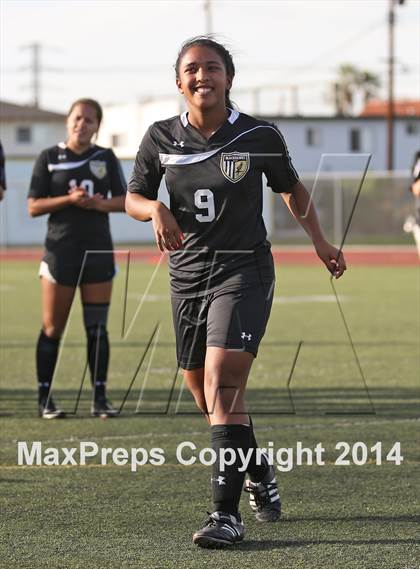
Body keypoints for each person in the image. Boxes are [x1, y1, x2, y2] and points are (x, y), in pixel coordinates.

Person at [126, 36, 347, 549]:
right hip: (186, 276)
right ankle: (259, 470)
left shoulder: (258, 134)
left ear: (228, 77)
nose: (202, 77)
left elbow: (291, 188)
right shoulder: (160, 136)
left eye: (212, 68)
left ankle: (225, 516)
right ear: (178, 82)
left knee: (223, 382)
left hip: (243, 271)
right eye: (192, 70)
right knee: (206, 396)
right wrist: (154, 209)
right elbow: (133, 196)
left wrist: (320, 241)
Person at [28, 98, 126, 419]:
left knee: (97, 328)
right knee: (53, 327)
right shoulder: (50, 157)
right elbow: (33, 206)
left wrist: (97, 204)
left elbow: (124, 200)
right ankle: (45, 399)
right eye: (77, 118)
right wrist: (69, 199)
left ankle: (99, 398)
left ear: (98, 126)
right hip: (61, 253)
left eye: (89, 120)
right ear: (68, 121)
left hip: (97, 252)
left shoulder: (106, 157)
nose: (82, 124)